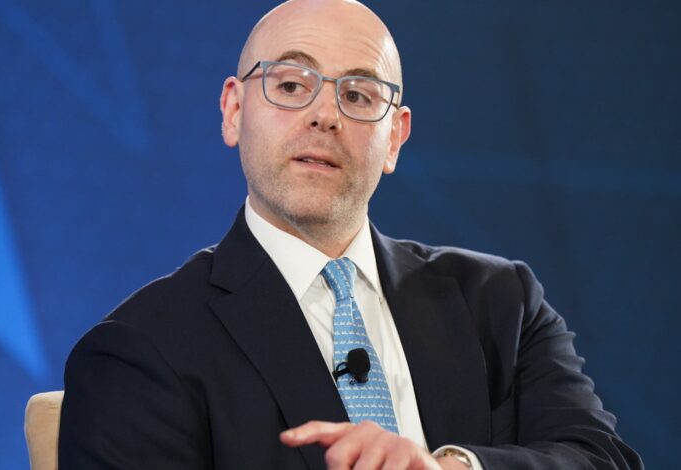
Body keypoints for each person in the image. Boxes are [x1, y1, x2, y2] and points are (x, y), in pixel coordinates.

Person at [58, 1, 643, 468]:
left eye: (358, 95)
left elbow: (599, 459)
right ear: (234, 111)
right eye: (291, 86)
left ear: (394, 139)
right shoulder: (139, 350)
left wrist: (447, 469)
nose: (325, 115)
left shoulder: (501, 302)